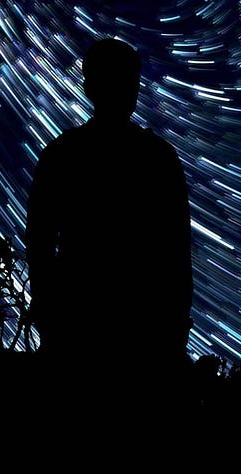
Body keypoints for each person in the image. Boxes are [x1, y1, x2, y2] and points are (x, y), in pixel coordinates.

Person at [25, 37, 192, 410]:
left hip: (98, 330)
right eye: (122, 80)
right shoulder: (156, 158)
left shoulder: (63, 154)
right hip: (126, 333)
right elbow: (177, 250)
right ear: (92, 86)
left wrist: (49, 313)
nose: (127, 89)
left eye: (129, 81)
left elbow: (39, 242)